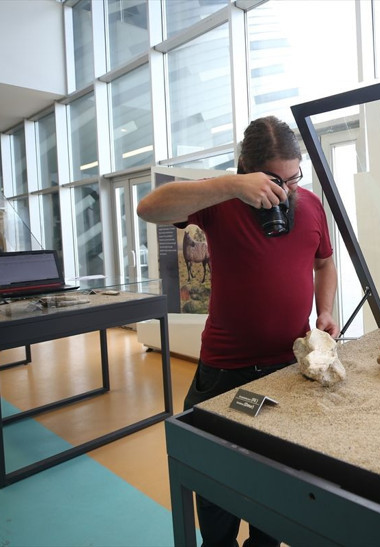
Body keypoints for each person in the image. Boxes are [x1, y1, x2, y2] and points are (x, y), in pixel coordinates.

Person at [137, 116, 339, 547]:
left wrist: (325, 311)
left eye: (293, 178)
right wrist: (232, 185)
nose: (286, 191)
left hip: (287, 368)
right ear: (248, 169)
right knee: (216, 483)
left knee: (275, 482)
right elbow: (149, 208)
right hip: (225, 370)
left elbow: (324, 264)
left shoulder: (309, 205)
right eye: (274, 181)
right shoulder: (222, 200)